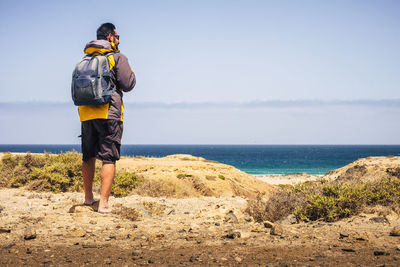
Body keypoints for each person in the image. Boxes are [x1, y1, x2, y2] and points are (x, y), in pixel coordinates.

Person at [78, 23, 136, 213]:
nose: (119, 40)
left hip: (86, 113)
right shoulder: (116, 57)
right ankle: (103, 204)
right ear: (110, 37)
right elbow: (128, 84)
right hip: (108, 113)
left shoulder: (87, 58)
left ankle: (88, 199)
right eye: (118, 36)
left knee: (88, 156)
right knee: (108, 157)